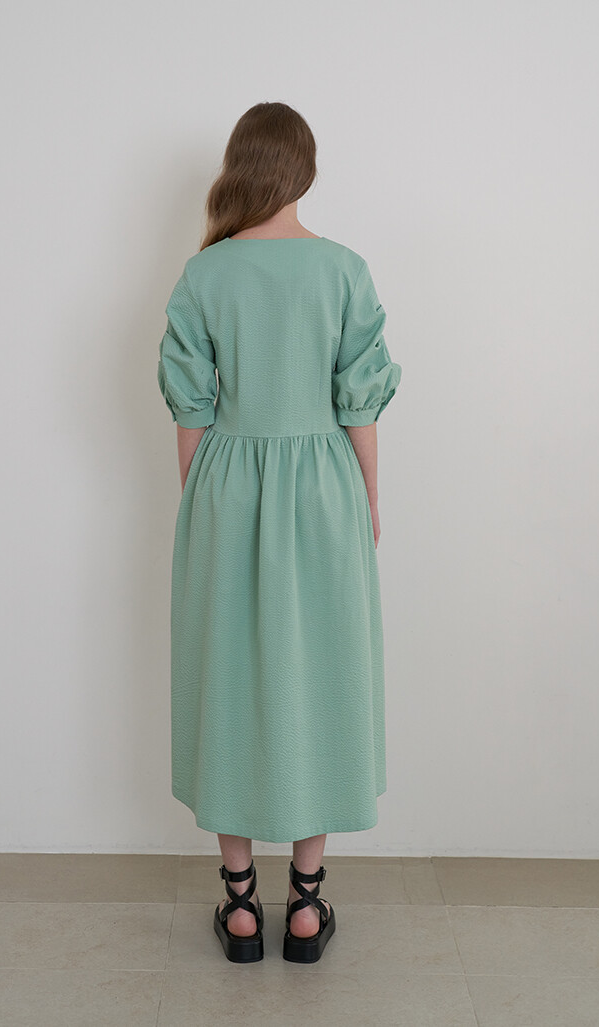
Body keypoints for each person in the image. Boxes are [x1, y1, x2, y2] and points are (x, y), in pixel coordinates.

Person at [156, 102, 402, 964]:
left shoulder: (205, 273)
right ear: (305, 169)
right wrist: (367, 497)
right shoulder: (343, 269)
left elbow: (190, 407)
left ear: (240, 166)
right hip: (323, 487)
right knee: (322, 676)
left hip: (228, 484)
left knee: (227, 676)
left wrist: (203, 503)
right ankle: (304, 903)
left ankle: (238, 906)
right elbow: (360, 402)